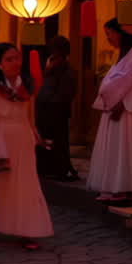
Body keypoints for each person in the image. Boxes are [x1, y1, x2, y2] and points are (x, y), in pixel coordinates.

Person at [0, 42, 53, 248]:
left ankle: (28, 230)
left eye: (17, 58)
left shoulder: (26, 84)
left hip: (22, 136)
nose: (15, 63)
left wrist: (35, 132)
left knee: (26, 184)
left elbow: (30, 114)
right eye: (9, 59)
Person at [88, 19, 132, 201]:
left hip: (126, 108)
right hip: (113, 107)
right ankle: (112, 186)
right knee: (113, 148)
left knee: (125, 148)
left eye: (110, 33)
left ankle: (124, 187)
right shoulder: (122, 55)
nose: (108, 38)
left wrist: (121, 104)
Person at [35, 36, 78, 180]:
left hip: (57, 111)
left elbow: (65, 93)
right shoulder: (49, 63)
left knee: (58, 142)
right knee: (44, 140)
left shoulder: (67, 70)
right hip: (44, 108)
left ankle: (60, 168)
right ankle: (46, 167)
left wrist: (52, 104)